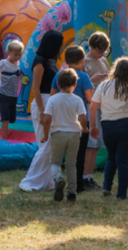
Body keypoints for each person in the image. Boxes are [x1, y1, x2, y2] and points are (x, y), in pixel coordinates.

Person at [90, 57, 128, 200]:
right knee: (123, 160)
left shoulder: (103, 86)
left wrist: (93, 126)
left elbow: (93, 107)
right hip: (126, 125)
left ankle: (106, 186)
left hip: (107, 124)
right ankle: (121, 194)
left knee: (111, 157)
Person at [19, 30, 64, 192]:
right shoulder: (40, 61)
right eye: (59, 44)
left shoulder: (51, 61)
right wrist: (43, 111)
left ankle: (47, 181)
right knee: (46, 145)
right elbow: (36, 88)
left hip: (51, 102)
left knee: (49, 145)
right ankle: (30, 181)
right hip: (43, 103)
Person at [41, 68, 88, 203]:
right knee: (71, 164)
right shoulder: (78, 100)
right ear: (75, 85)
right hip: (74, 134)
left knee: (55, 162)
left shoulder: (53, 99)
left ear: (58, 84)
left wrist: (45, 135)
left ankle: (58, 178)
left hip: (58, 133)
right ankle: (72, 193)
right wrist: (84, 128)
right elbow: (83, 118)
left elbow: (47, 119)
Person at [51, 46, 95, 192]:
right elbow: (90, 98)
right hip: (80, 122)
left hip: (60, 122)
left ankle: (58, 179)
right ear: (82, 60)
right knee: (78, 156)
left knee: (58, 157)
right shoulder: (83, 77)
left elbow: (52, 97)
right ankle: (77, 186)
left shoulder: (58, 75)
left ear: (66, 60)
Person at [82, 32, 112, 190]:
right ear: (91, 47)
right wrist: (92, 80)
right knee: (88, 144)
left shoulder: (103, 60)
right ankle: (83, 177)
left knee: (95, 145)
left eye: (104, 51)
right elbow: (78, 84)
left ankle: (89, 176)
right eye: (99, 50)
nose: (101, 54)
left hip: (101, 105)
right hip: (88, 107)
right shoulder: (84, 61)